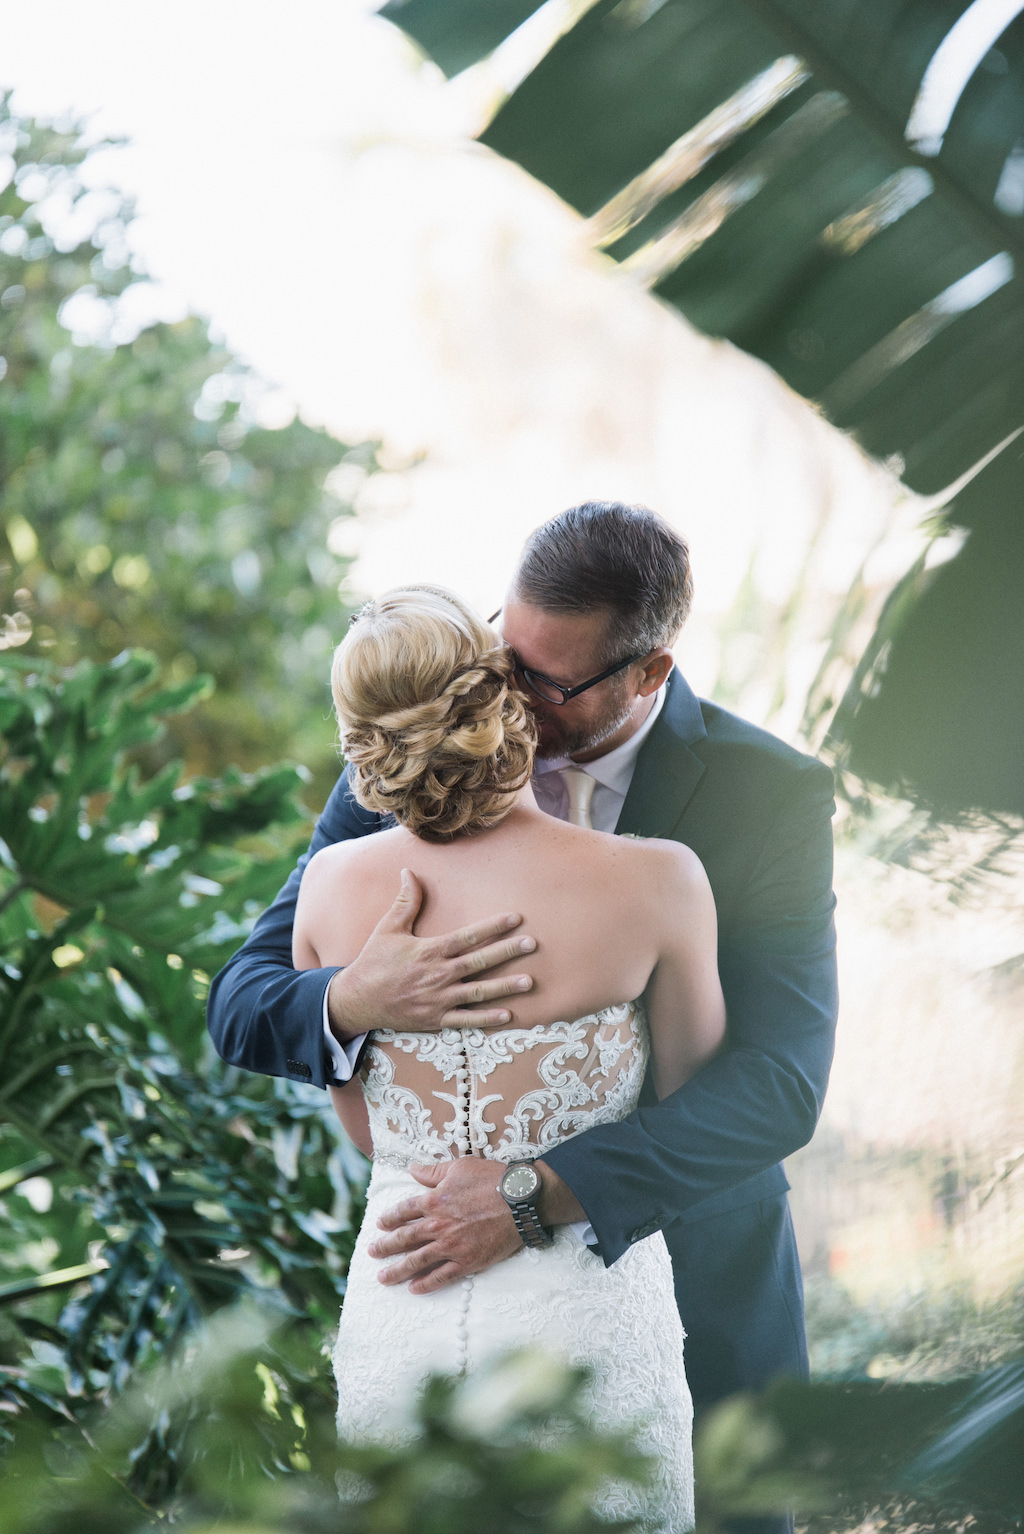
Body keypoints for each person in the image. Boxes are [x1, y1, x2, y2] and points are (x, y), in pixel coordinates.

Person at [208, 501, 838, 1534]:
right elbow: (243, 1003)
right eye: (507, 649)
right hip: (424, 1295)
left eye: (552, 681)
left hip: (685, 1281)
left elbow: (778, 1080)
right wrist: (358, 997)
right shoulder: (411, 754)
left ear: (649, 672)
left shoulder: (767, 794)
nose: (511, 693)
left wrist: (539, 1190)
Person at [292, 584, 725, 1527]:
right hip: (592, 1316)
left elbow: (372, 1137)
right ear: (504, 698)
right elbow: (692, 1094)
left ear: (361, 736)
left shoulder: (327, 892)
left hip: (404, 1301)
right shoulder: (657, 881)